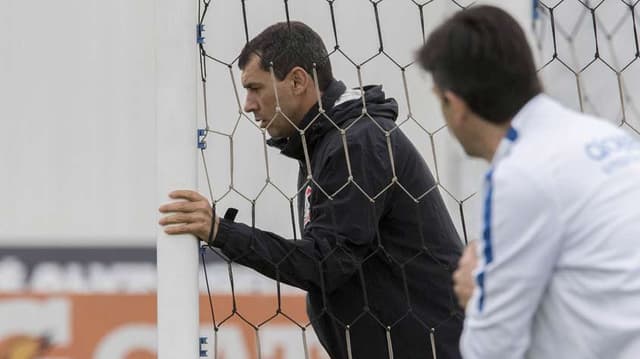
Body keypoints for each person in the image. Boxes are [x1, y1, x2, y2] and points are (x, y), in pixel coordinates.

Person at [159, 21, 464, 359]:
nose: (247, 104)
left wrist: (221, 232)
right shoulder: (323, 143)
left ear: (297, 81)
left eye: (255, 87)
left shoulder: (358, 142)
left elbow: (326, 263)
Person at [417, 5, 640, 359]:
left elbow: (491, 350)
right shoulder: (607, 136)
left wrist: (480, 296)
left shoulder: (520, 173)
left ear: (454, 103)